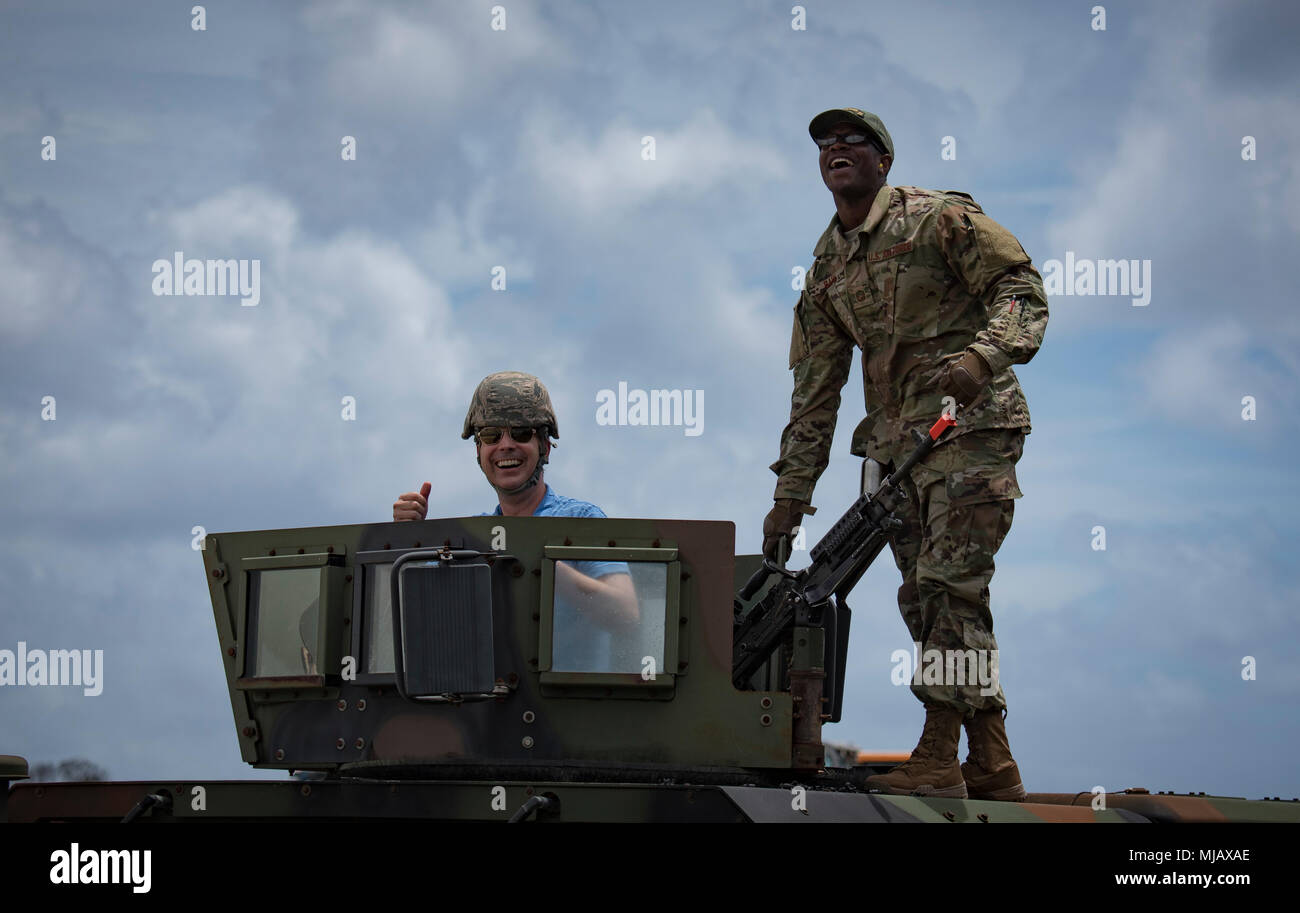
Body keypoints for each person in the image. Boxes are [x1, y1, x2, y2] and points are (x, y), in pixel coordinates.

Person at [764, 108, 1048, 800]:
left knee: (951, 586)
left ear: (882, 161)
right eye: (827, 145)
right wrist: (790, 496)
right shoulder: (828, 268)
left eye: (853, 141)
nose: (837, 150)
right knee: (932, 601)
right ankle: (991, 760)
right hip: (901, 459)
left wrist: (984, 357)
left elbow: (1021, 290)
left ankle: (937, 755)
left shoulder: (936, 219)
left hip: (970, 431)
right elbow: (815, 392)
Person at [393, 371, 638, 672]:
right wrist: (408, 538)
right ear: (480, 452)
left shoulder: (580, 521)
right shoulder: (472, 538)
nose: (505, 445)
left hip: (568, 708)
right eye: (491, 436)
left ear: (545, 448)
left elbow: (626, 613)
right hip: (485, 710)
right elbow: (412, 615)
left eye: (521, 433)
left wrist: (546, 568)